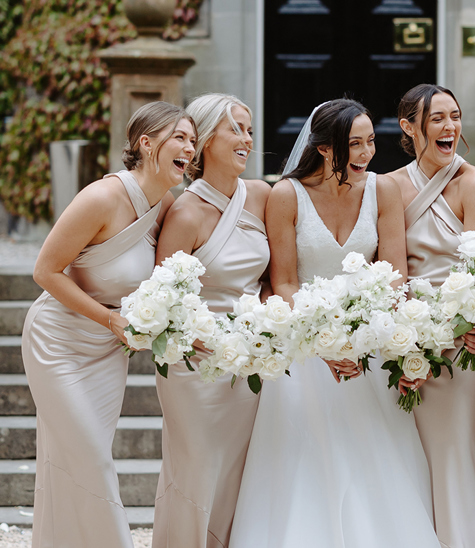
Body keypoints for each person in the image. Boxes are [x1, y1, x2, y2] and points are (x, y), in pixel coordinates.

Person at [228, 99, 440, 548]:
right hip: (307, 349)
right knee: (308, 464)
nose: (366, 154)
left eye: (370, 142)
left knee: (376, 462)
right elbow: (283, 282)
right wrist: (325, 340)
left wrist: (375, 341)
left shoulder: (383, 191)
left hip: (371, 345)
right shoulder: (288, 195)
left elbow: (395, 274)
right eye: (354, 145)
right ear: (324, 149)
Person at [21, 101, 196, 548]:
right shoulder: (101, 197)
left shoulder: (166, 204)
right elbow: (44, 271)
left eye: (193, 141)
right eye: (181, 138)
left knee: (72, 461)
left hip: (104, 353)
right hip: (58, 340)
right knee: (92, 460)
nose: (190, 149)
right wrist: (111, 319)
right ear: (147, 142)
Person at [151, 94, 270, 548]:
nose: (247, 139)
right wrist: (200, 341)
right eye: (236, 129)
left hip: (250, 357)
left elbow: (273, 281)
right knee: (195, 467)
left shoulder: (259, 196)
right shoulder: (185, 213)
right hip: (194, 364)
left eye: (249, 129)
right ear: (203, 141)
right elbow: (165, 302)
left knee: (237, 470)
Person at [382, 83, 475, 548]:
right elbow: (392, 268)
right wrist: (408, 341)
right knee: (403, 457)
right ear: (409, 127)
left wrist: (447, 336)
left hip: (462, 342)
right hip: (405, 336)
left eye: (455, 116)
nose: (449, 126)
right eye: (437, 119)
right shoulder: (389, 186)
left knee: (453, 455)